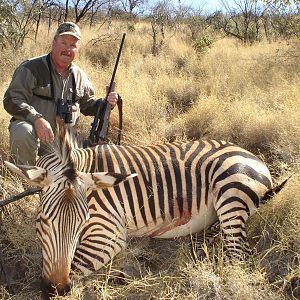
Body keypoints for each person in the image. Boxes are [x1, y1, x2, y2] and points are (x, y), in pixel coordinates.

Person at [3, 21, 118, 165]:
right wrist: (36, 119)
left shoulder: (80, 76)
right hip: (37, 135)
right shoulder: (31, 67)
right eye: (63, 43)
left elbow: (89, 105)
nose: (68, 49)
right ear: (54, 43)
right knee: (23, 130)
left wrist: (106, 103)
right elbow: (12, 99)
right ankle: (26, 180)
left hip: (65, 143)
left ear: (78, 49)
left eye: (73, 45)